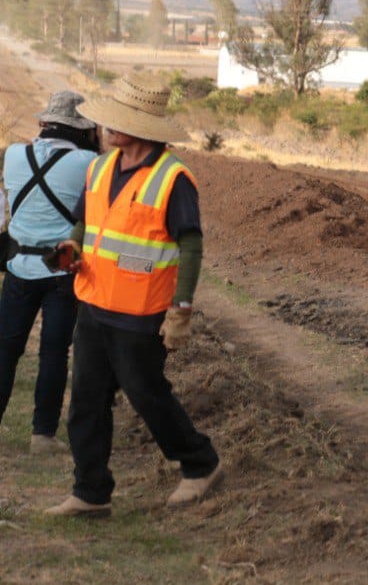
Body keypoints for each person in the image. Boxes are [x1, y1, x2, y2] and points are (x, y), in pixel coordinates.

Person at [44, 74, 223, 518]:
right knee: (85, 401)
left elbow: (190, 244)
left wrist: (181, 308)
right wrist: (71, 248)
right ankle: (90, 492)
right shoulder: (99, 167)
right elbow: (85, 223)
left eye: (118, 121)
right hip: (94, 304)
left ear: (143, 128)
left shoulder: (173, 178)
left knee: (148, 395)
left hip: (141, 314)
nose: (107, 128)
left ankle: (201, 465)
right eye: (108, 121)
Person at [0, 91, 98, 454]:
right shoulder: (90, 162)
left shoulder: (12, 154)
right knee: (54, 353)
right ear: (82, 129)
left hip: (18, 268)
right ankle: (42, 435)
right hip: (61, 270)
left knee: (5, 349)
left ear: (44, 124)